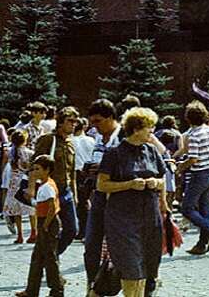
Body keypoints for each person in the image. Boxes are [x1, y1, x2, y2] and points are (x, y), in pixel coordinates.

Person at [97, 107, 167, 297]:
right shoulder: (114, 154)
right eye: (148, 127)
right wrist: (129, 184)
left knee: (149, 265)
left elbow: (163, 179)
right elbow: (102, 185)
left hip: (150, 218)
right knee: (131, 266)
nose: (152, 131)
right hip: (123, 219)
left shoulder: (151, 151)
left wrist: (156, 183)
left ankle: (97, 291)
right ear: (135, 129)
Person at [82, 98, 121, 290]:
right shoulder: (98, 138)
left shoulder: (124, 137)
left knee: (120, 246)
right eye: (92, 121)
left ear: (111, 117)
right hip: (98, 196)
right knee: (91, 244)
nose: (94, 126)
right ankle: (92, 286)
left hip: (120, 199)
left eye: (98, 121)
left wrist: (105, 168)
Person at [33, 106, 79, 256]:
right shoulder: (48, 140)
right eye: (70, 121)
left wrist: (75, 194)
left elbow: (72, 172)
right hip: (50, 191)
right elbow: (35, 165)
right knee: (48, 230)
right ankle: (47, 262)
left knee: (72, 229)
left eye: (75, 121)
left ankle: (52, 256)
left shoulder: (71, 143)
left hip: (66, 192)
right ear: (60, 123)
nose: (73, 124)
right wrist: (32, 188)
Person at [16, 154, 63, 297]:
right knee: (38, 258)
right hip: (45, 222)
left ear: (47, 170)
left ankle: (57, 290)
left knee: (50, 259)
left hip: (48, 223)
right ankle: (32, 290)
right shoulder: (44, 185)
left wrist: (45, 225)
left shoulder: (47, 186)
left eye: (38, 169)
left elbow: (52, 208)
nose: (34, 172)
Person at [180, 100, 209, 255]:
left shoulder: (193, 135)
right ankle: (202, 244)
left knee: (186, 208)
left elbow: (193, 159)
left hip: (198, 174)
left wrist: (180, 166)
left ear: (188, 118)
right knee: (205, 210)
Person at [5, 129, 36, 244]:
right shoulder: (30, 153)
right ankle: (33, 232)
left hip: (14, 182)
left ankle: (20, 235)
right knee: (30, 209)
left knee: (16, 210)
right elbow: (30, 168)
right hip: (25, 181)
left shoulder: (10, 153)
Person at [71, 117, 95, 241]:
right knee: (88, 200)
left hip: (77, 172)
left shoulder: (71, 141)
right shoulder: (91, 140)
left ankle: (82, 230)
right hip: (90, 170)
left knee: (80, 202)